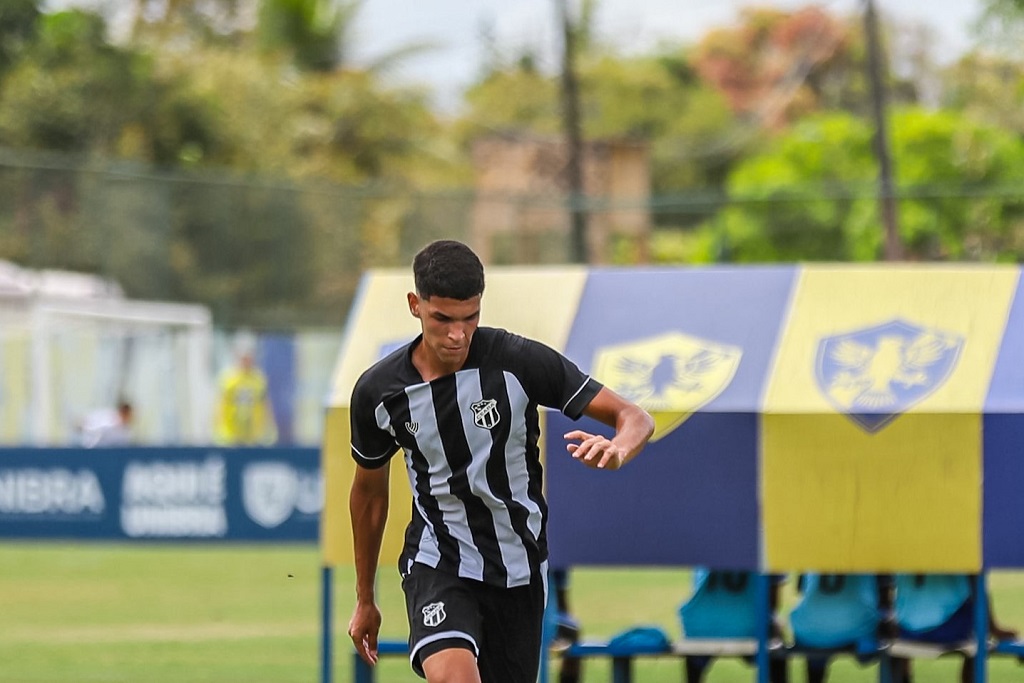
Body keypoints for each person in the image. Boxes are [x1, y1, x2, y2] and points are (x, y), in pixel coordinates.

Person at [346, 239, 655, 683]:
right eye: (443, 319)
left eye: (470, 318)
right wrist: (365, 598)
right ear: (415, 306)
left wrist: (620, 447)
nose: (458, 334)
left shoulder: (517, 361)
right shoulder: (380, 393)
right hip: (439, 560)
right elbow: (369, 495)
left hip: (520, 567)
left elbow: (634, 416)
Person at [891, 573, 1018, 683]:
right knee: (978, 636)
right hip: (949, 629)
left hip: (905, 629)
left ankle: (902, 675)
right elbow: (976, 585)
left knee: (896, 635)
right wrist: (993, 628)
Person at [679, 568, 788, 683]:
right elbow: (772, 603)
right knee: (776, 641)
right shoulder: (766, 550)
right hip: (750, 625)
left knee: (694, 651)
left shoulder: (702, 550)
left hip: (701, 627)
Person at [788, 573, 894, 683]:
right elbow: (885, 598)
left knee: (815, 642)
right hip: (858, 629)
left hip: (811, 631)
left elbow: (802, 590)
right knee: (884, 626)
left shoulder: (809, 554)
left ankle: (815, 672)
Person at [214, 340, 277, 445]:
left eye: (248, 358)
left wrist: (269, 430)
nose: (246, 361)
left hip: (254, 438)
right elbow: (220, 406)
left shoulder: (258, 380)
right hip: (230, 438)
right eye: (243, 358)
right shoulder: (228, 380)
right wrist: (219, 431)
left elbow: (266, 406)